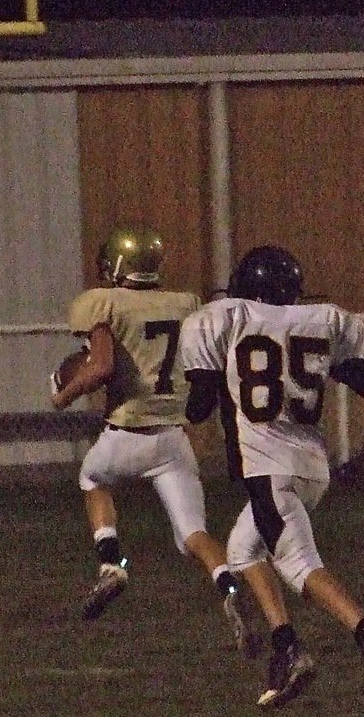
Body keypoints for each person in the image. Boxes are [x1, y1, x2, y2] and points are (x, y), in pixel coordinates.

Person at [178, 244, 364, 713]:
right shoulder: (324, 321)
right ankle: (286, 647)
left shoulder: (223, 318)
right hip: (312, 468)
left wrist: (191, 393)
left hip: (267, 467)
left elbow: (199, 408)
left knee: (299, 565)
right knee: (243, 550)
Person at [50, 226, 260, 658]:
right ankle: (228, 584)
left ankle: (111, 562)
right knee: (194, 534)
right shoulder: (184, 304)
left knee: (92, 478)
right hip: (172, 438)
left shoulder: (103, 303)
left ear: (120, 264)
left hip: (127, 432)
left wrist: (64, 394)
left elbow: (103, 366)